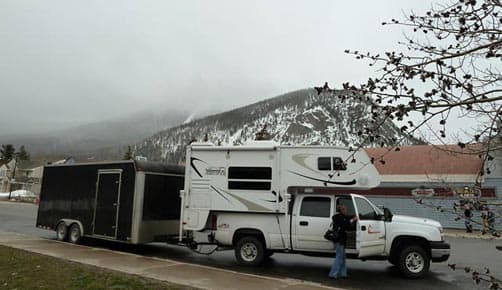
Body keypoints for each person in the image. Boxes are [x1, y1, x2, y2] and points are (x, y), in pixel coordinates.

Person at [329, 205, 358, 279]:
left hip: (341, 240)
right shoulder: (338, 217)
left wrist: (355, 216)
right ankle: (333, 274)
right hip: (339, 240)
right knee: (339, 257)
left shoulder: (343, 217)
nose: (346, 210)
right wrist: (353, 220)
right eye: (344, 209)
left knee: (343, 257)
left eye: (345, 209)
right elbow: (344, 225)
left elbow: (348, 219)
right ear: (341, 210)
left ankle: (343, 273)